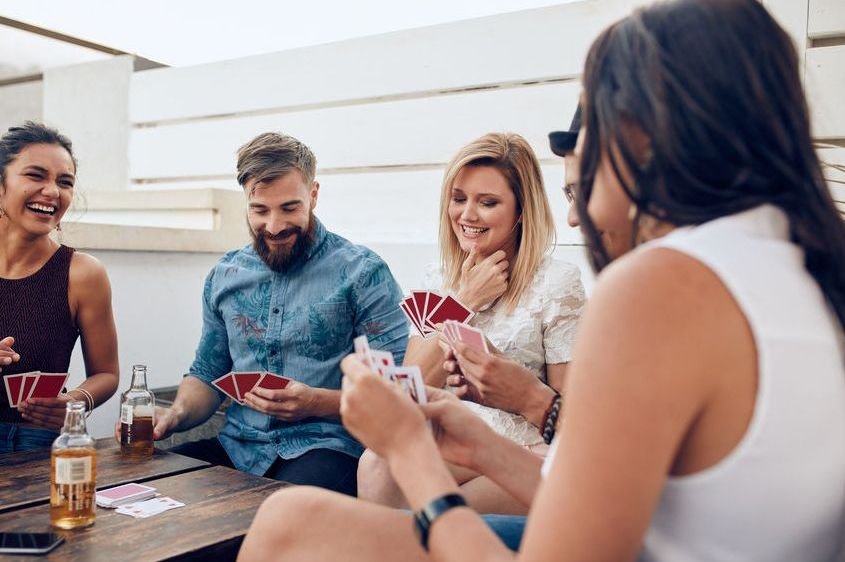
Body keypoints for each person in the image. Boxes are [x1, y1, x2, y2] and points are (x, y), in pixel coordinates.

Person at [238, 0, 845, 560]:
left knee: (288, 526)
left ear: (638, 137)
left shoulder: (665, 286)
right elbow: (630, 500)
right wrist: (481, 446)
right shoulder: (802, 267)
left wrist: (410, 451)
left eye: (590, 139)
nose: (579, 211)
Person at [141, 132, 408, 495]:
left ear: (313, 195)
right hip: (238, 447)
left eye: (289, 208)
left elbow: (396, 392)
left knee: (280, 517)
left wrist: (315, 402)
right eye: (260, 210)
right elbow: (208, 373)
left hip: (329, 449)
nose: (274, 226)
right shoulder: (225, 275)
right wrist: (175, 415)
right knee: (147, 490)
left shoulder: (364, 273)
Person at [358, 132, 585, 514]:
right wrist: (463, 301)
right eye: (459, 199)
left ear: (521, 210)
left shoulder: (557, 283)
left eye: (488, 202)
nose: (467, 216)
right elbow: (411, 385)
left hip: (524, 448)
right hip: (455, 436)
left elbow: (570, 414)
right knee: (376, 463)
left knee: (439, 514)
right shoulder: (439, 278)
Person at [0, 122, 119, 452]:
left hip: (38, 443)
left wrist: (75, 401)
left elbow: (106, 374)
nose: (53, 191)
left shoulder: (83, 273)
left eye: (64, 182)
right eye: (36, 176)